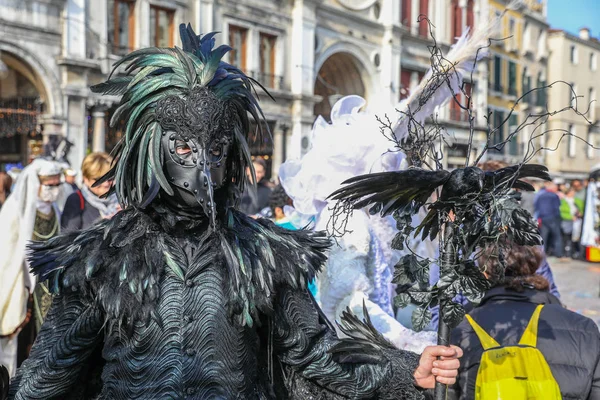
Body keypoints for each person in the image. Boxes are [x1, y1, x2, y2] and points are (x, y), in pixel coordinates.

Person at [9, 25, 461, 399]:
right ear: (152, 150)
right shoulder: (103, 259)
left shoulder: (264, 253)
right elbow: (50, 369)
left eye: (217, 149)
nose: (202, 165)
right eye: (184, 147)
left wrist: (405, 371)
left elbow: (316, 354)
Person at [449, 242, 600, 400]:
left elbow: (445, 393)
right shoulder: (585, 329)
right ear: (535, 268)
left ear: (484, 274)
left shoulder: (461, 329)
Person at [0, 158, 63, 378]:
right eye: (49, 185)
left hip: (50, 285)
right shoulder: (15, 209)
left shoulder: (54, 208)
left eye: (57, 184)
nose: (54, 190)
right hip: (24, 283)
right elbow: (7, 253)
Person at [61, 152, 120, 231]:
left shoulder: (122, 199)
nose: (106, 184)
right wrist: (100, 223)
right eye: (99, 180)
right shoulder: (76, 200)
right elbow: (68, 238)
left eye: (110, 178)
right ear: (86, 179)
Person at [535, 181, 564, 258]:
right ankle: (558, 254)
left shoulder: (541, 196)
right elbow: (557, 208)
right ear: (553, 188)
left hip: (543, 218)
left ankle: (540, 253)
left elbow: (537, 207)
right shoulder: (554, 196)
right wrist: (559, 219)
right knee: (557, 236)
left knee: (543, 237)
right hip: (553, 218)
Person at [560, 187, 584, 258]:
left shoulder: (578, 200)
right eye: (572, 192)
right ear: (568, 192)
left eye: (574, 192)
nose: (573, 193)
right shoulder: (563, 201)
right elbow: (561, 212)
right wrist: (571, 217)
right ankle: (567, 252)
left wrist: (580, 213)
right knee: (567, 237)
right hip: (567, 221)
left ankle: (575, 252)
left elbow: (582, 209)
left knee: (576, 238)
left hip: (577, 222)